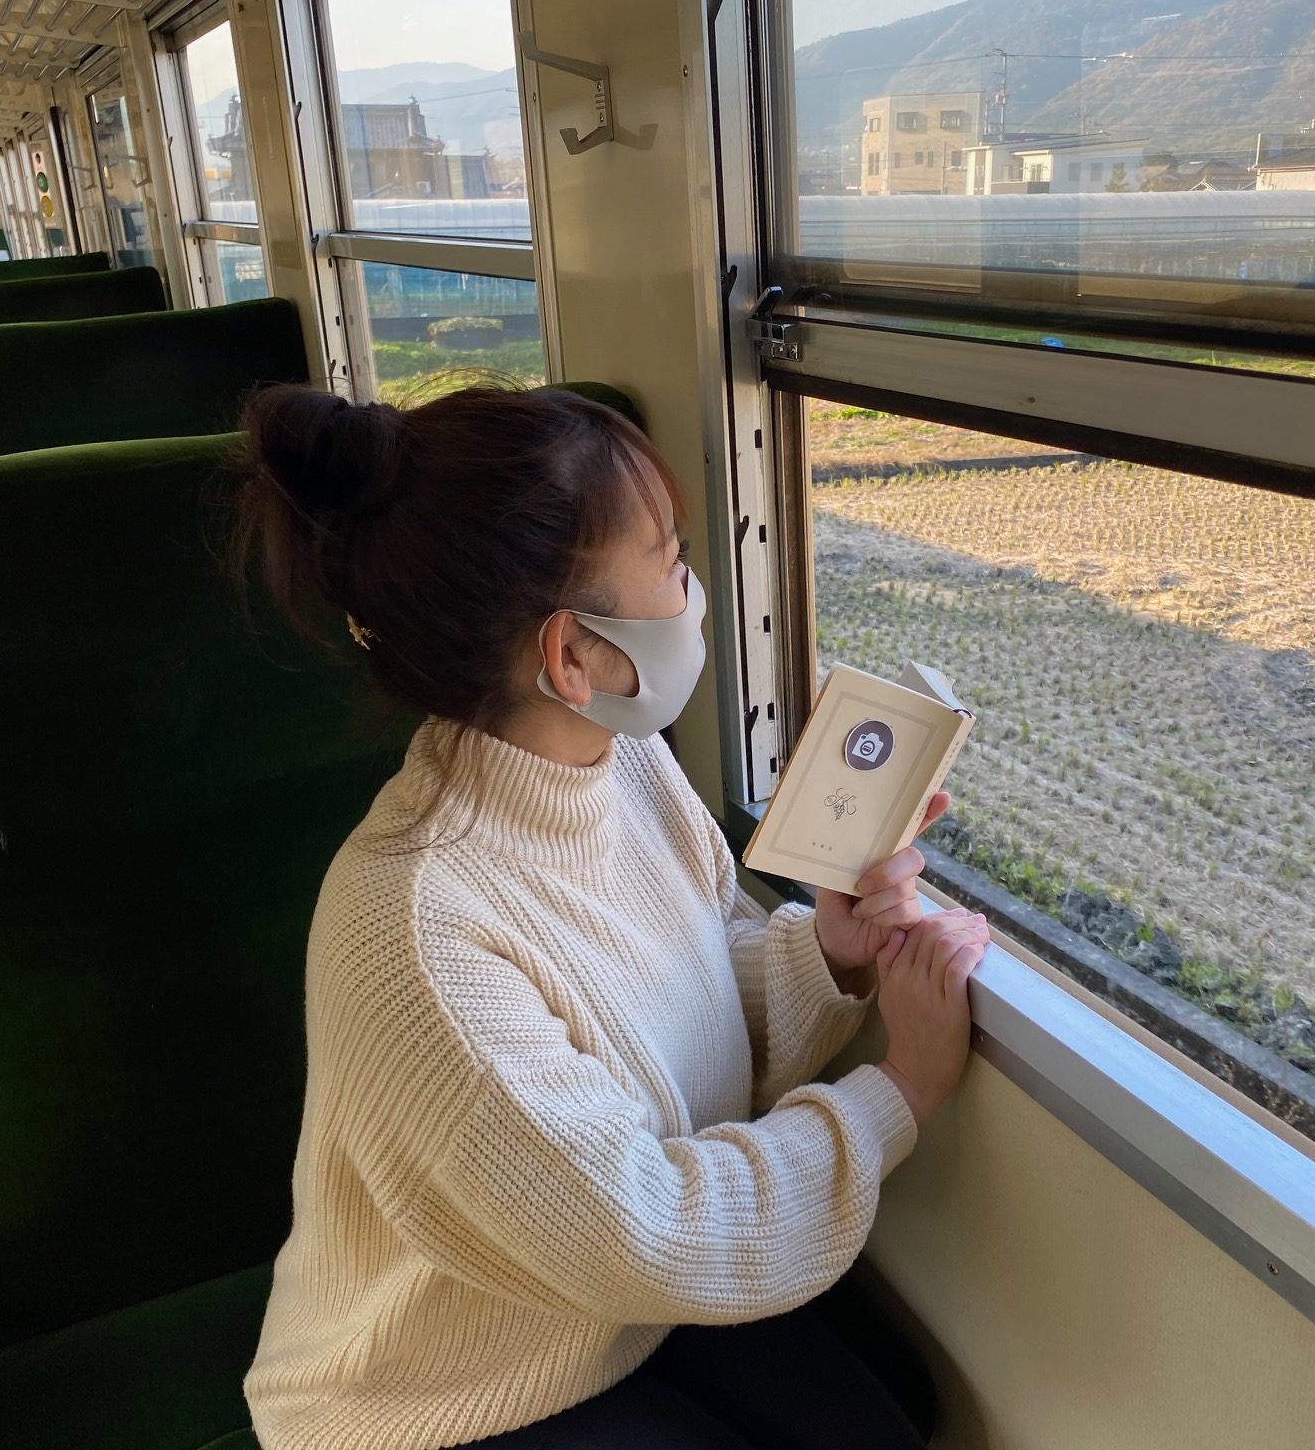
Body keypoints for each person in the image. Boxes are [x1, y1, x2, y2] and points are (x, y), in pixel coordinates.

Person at [237, 384, 989, 1450]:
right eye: (673, 563)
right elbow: (649, 1229)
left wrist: (828, 953)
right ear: (574, 658)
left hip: (596, 1307)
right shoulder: (416, 935)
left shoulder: (623, 764)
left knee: (885, 1416)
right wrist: (901, 1090)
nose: (696, 593)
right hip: (431, 1396)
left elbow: (667, 1005)